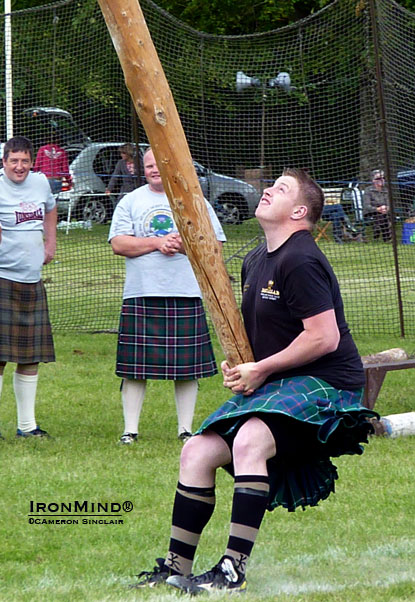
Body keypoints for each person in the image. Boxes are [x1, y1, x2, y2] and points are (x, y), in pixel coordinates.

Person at [132, 168, 378, 594]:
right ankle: (175, 567)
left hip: (329, 383)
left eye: (280, 189)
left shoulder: (300, 258)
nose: (268, 190)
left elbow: (324, 337)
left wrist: (261, 369)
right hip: (281, 383)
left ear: (300, 211)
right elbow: (265, 335)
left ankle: (231, 571)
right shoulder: (257, 258)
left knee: (249, 440)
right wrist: (244, 366)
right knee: (197, 450)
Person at [108, 148, 226, 444]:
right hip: (141, 291)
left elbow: (215, 247)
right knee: (135, 369)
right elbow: (119, 243)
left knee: (186, 369)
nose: (153, 170)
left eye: (158, 164)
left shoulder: (193, 201)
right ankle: (129, 430)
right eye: (148, 165)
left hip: (185, 291)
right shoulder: (131, 201)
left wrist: (183, 244)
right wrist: (157, 242)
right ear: (141, 169)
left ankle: (185, 430)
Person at [0, 136, 57, 439]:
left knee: (30, 357)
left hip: (31, 279)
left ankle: (27, 426)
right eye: (14, 161)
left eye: (24, 161)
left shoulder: (40, 183)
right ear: (4, 162)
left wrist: (50, 242)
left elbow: (50, 209)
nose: (19, 166)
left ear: (31, 162)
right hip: (2, 278)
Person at [363, 169, 391, 241]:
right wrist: (377, 209)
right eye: (378, 178)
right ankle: (386, 238)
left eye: (383, 178)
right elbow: (367, 205)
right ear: (373, 180)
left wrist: (386, 209)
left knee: (382, 216)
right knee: (381, 216)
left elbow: (389, 203)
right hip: (371, 212)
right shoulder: (368, 190)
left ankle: (377, 233)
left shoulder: (386, 190)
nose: (381, 180)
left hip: (384, 212)